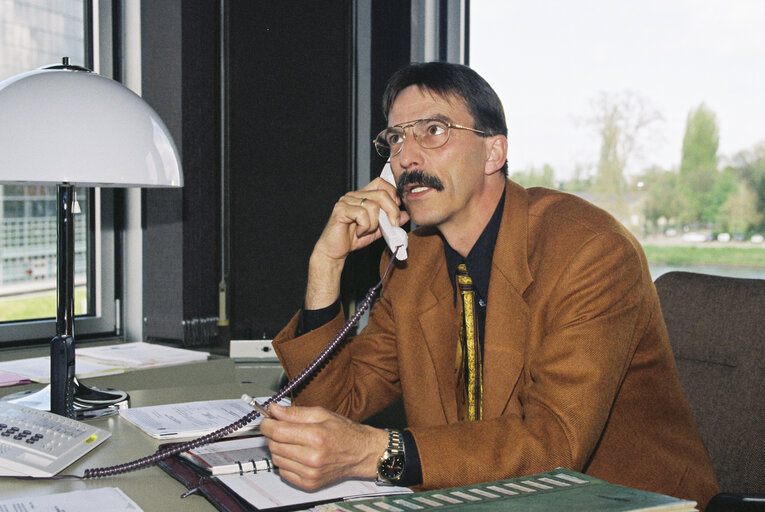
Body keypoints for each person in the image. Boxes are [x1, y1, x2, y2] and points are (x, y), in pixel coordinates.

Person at [259, 61, 718, 509]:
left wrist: (373, 452)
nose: (406, 157)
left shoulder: (588, 250)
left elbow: (554, 444)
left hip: (622, 499)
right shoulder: (412, 263)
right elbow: (335, 403)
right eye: (395, 139)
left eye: (433, 131)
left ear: (493, 153)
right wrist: (326, 265)